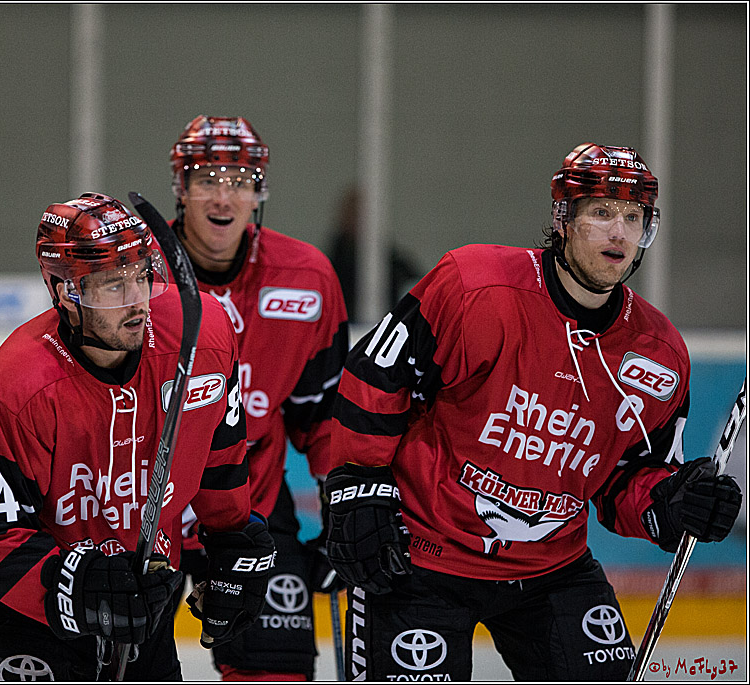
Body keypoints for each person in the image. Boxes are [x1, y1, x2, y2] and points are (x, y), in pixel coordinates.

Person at [322, 143, 743, 680]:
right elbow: (377, 376)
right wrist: (358, 486)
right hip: (425, 558)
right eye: (601, 212)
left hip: (553, 570)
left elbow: (626, 479)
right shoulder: (476, 285)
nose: (619, 232)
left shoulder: (658, 352)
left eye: (633, 217)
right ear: (563, 219)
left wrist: (674, 501)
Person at [0, 192, 275, 681]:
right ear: (63, 291)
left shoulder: (204, 338)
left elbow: (220, 453)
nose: (136, 301)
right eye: (112, 287)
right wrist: (80, 588)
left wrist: (228, 540)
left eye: (141, 277)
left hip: (140, 605)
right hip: (15, 616)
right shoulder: (16, 386)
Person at [169, 115, 349, 680]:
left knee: (275, 674)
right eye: (206, 178)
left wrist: (345, 506)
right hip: (141, 512)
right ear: (180, 187)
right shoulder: (135, 273)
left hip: (254, 510)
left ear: (258, 193)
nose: (224, 195)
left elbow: (323, 415)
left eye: (240, 179)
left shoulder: (306, 278)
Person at [327, 184, 420, 322]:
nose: (359, 220)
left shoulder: (395, 265)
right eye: (353, 212)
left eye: (365, 213)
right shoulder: (330, 267)